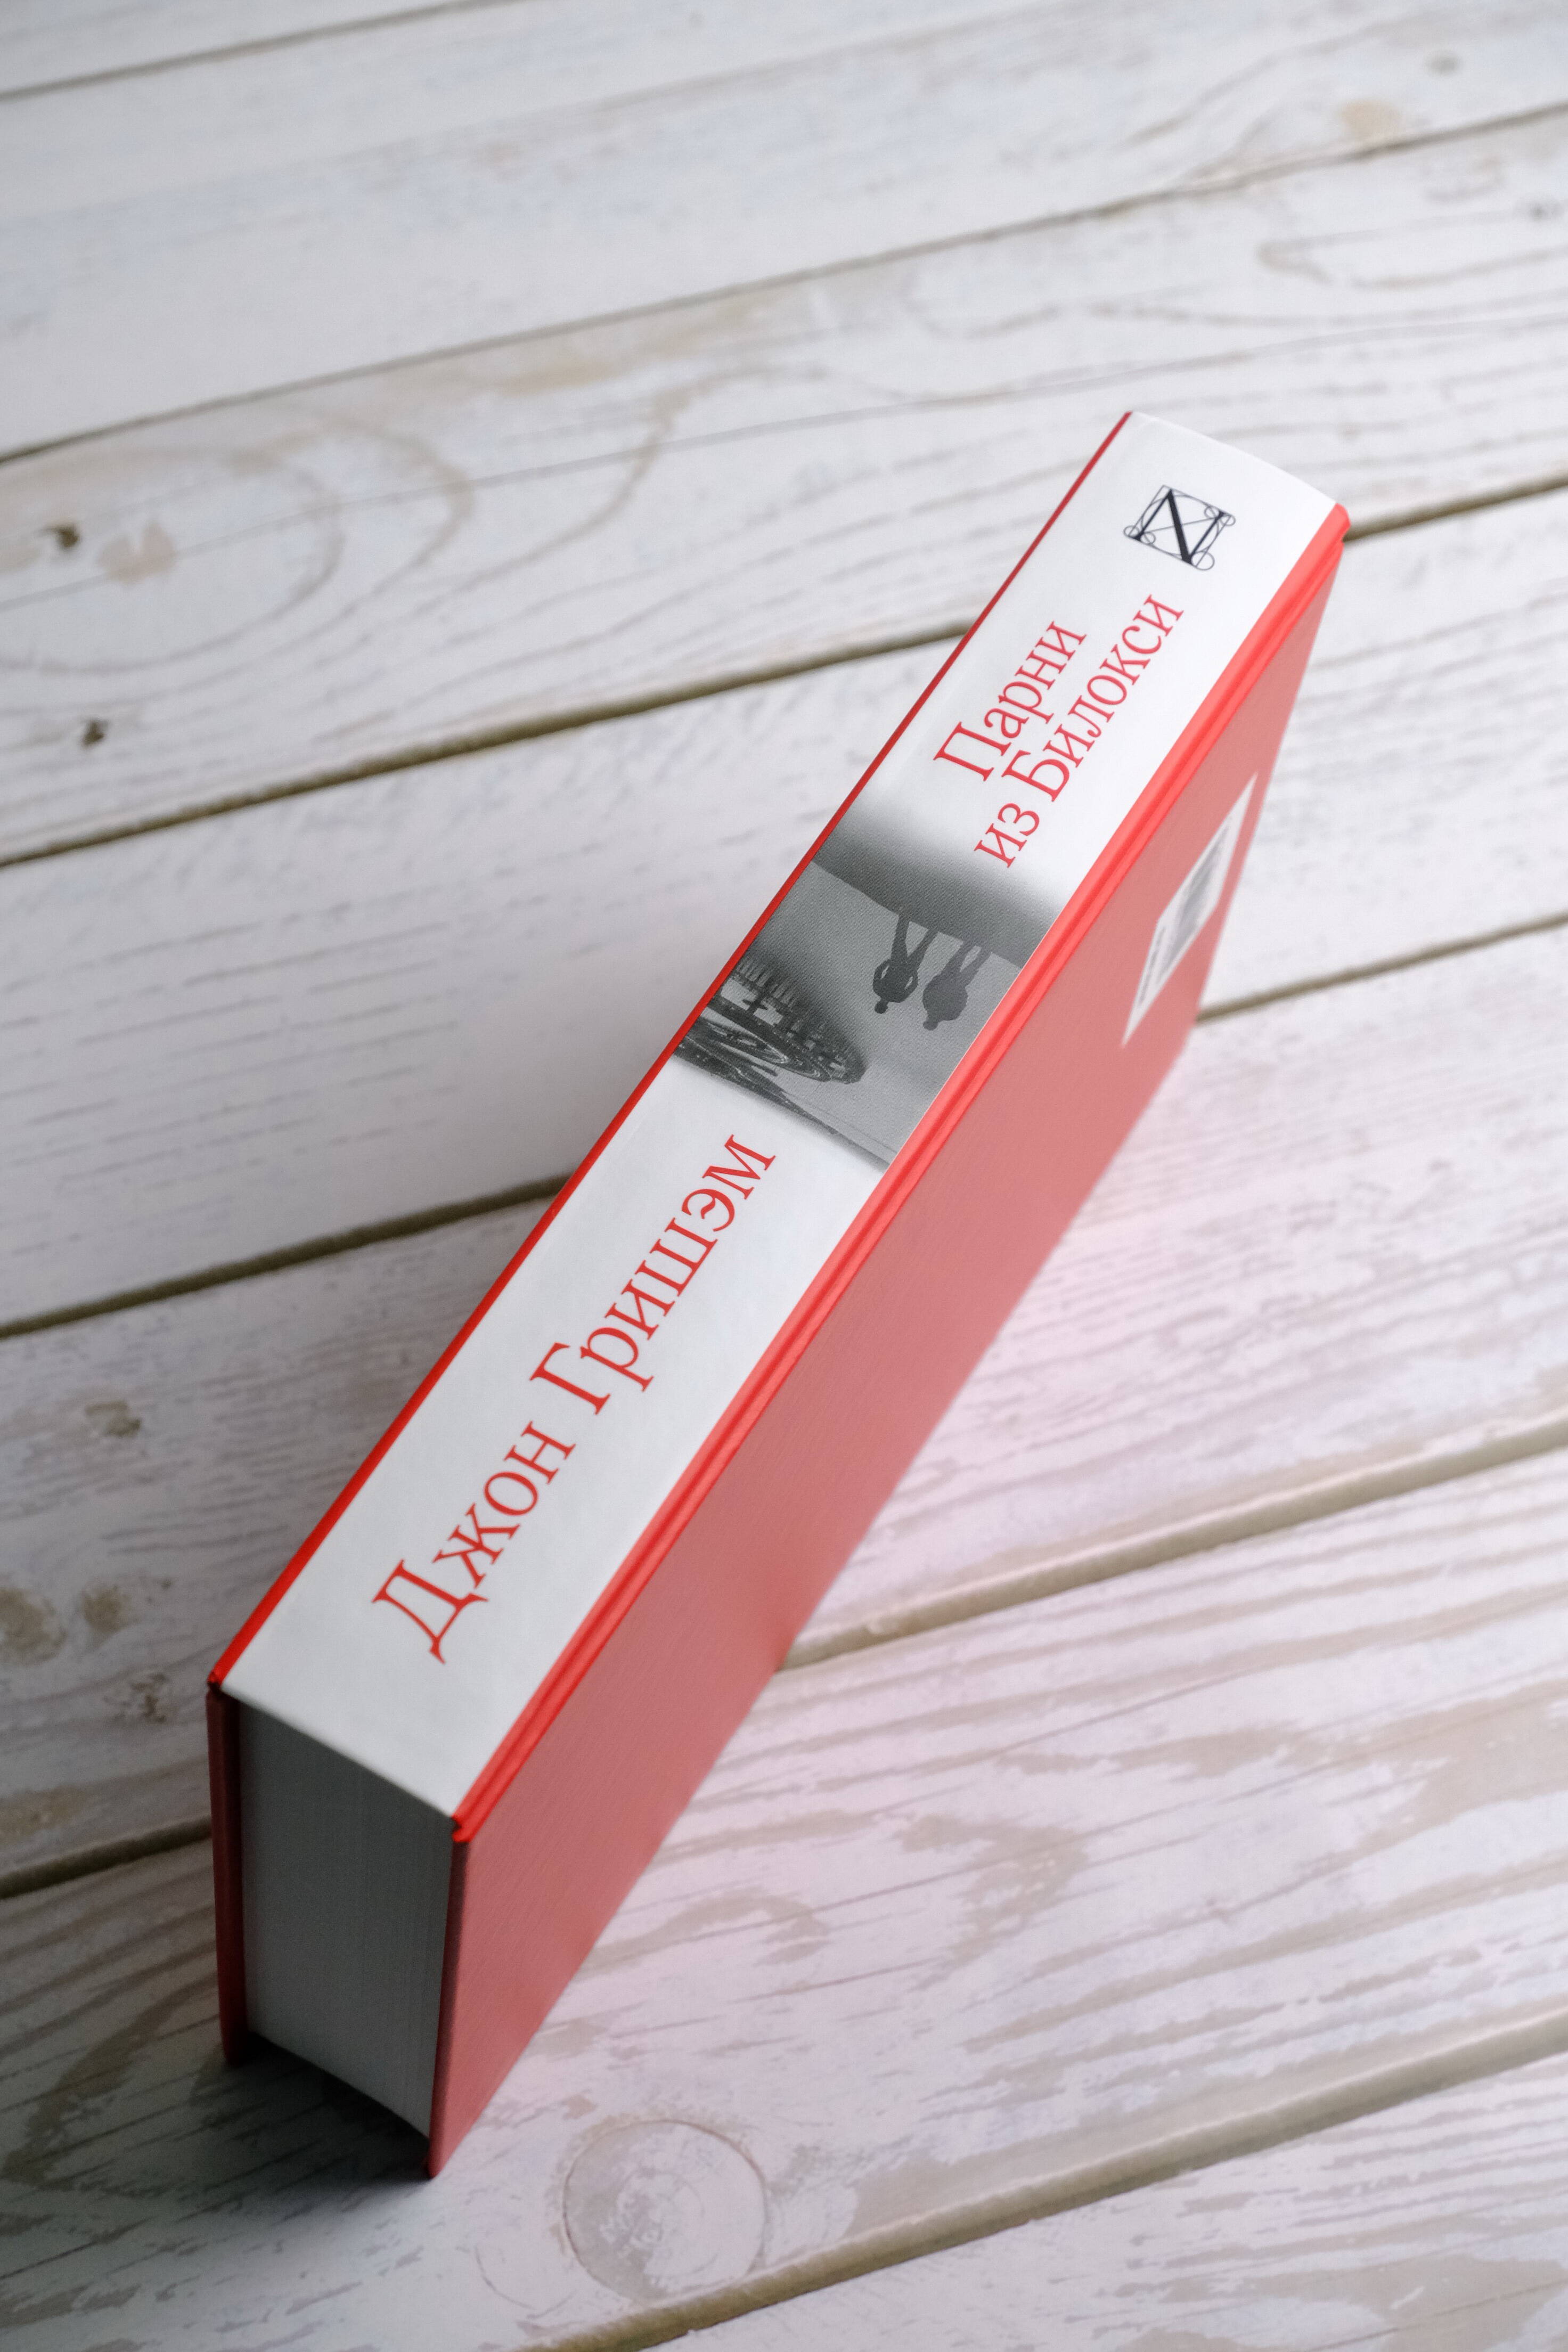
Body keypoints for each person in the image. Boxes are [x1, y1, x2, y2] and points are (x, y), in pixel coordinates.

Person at [872, 912, 938, 1012]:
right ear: (878, 1003)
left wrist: (914, 972)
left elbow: (914, 985)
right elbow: (878, 971)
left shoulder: (898, 999)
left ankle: (936, 926)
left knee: (923, 946)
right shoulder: (877, 989)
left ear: (886, 1007)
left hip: (909, 970)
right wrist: (889, 961)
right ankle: (906, 913)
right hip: (896, 963)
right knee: (900, 937)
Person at [921, 941, 990, 1030]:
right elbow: (930, 987)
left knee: (973, 963)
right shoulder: (927, 1004)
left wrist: (962, 990)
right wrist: (941, 978)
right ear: (927, 1020)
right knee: (963, 955)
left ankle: (987, 947)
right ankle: (977, 941)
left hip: (955, 981)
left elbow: (962, 1003)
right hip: (950, 978)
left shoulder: (949, 1016)